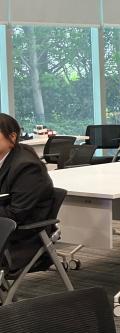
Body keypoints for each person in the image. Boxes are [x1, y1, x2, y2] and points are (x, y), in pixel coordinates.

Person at [0, 113, 55, 276]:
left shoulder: (26, 167)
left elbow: (16, 214)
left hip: (21, 235)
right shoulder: (6, 159)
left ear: (12, 137)